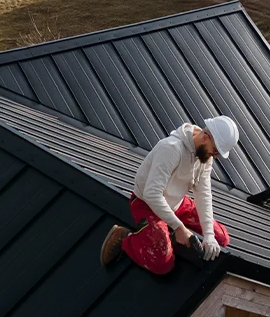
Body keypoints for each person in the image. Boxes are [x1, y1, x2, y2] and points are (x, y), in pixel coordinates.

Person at [100, 116, 240, 274]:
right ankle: (125, 238)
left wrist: (208, 235)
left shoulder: (204, 156)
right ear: (205, 137)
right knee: (162, 265)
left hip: (177, 203)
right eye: (215, 151)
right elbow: (152, 194)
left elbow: (203, 194)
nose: (215, 156)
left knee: (221, 238)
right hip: (148, 204)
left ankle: (169, 231)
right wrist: (179, 228)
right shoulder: (171, 148)